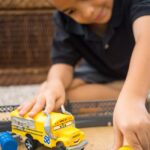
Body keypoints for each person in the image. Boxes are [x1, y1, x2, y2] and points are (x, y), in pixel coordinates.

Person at [18, 0, 150, 149]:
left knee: (134, 93)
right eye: (71, 11)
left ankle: (132, 96)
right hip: (102, 71)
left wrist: (134, 96)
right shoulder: (64, 20)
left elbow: (146, 37)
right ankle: (124, 94)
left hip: (145, 69)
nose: (88, 12)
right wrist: (55, 83)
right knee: (57, 97)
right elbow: (62, 62)